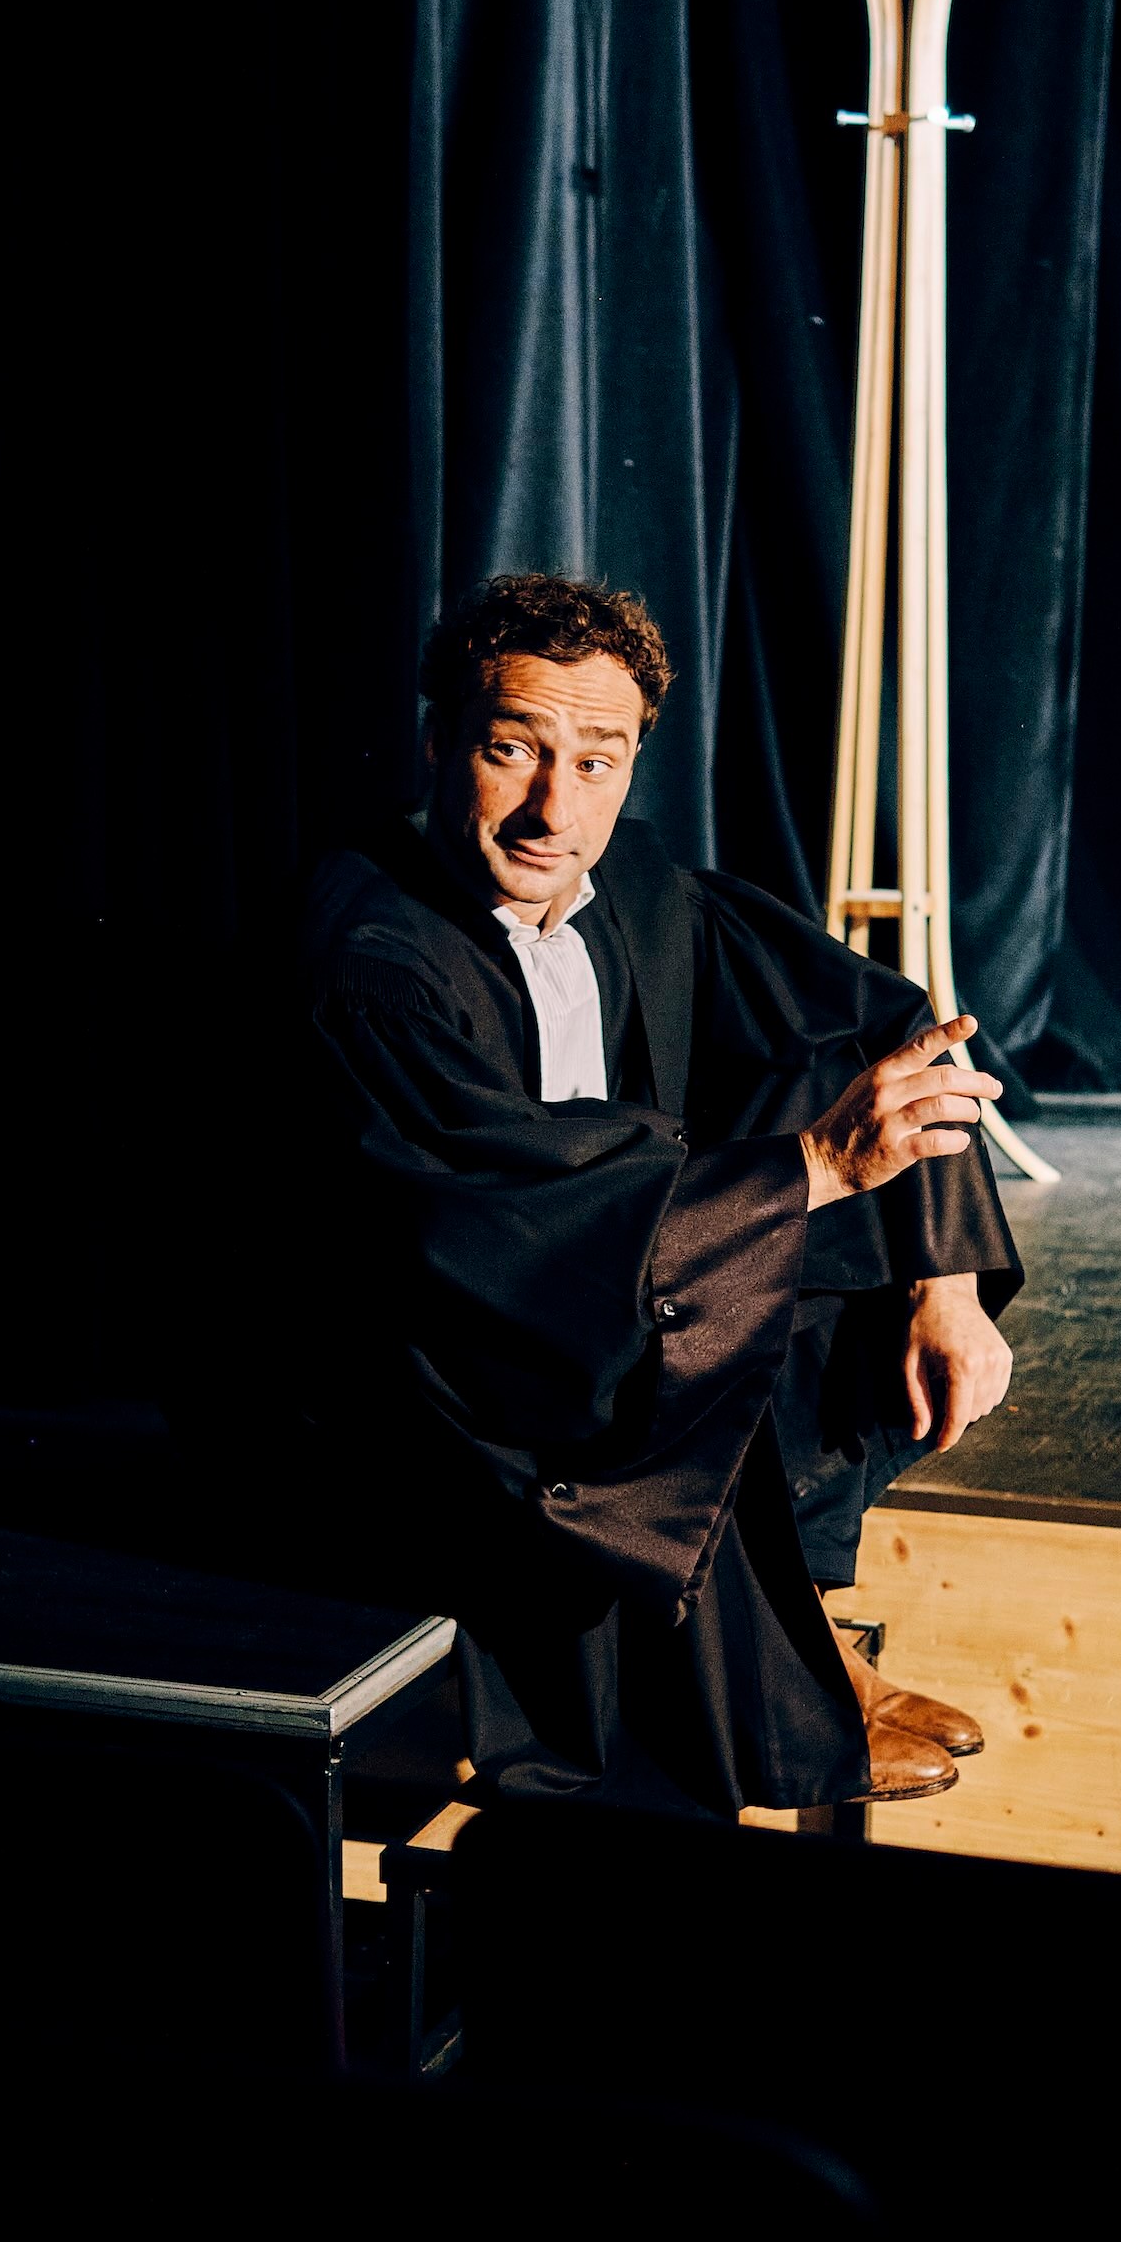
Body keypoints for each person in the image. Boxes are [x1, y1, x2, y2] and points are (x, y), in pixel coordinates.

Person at [292, 572, 1021, 1817]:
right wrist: (807, 1172)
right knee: (724, 1278)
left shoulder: (629, 884)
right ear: (438, 742)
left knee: (806, 1195)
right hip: (438, 1357)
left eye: (596, 763)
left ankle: (804, 1630)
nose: (552, 810)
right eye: (512, 750)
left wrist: (941, 1286)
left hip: (598, 1272)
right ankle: (760, 1703)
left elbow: (870, 1021)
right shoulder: (376, 960)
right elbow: (504, 1223)